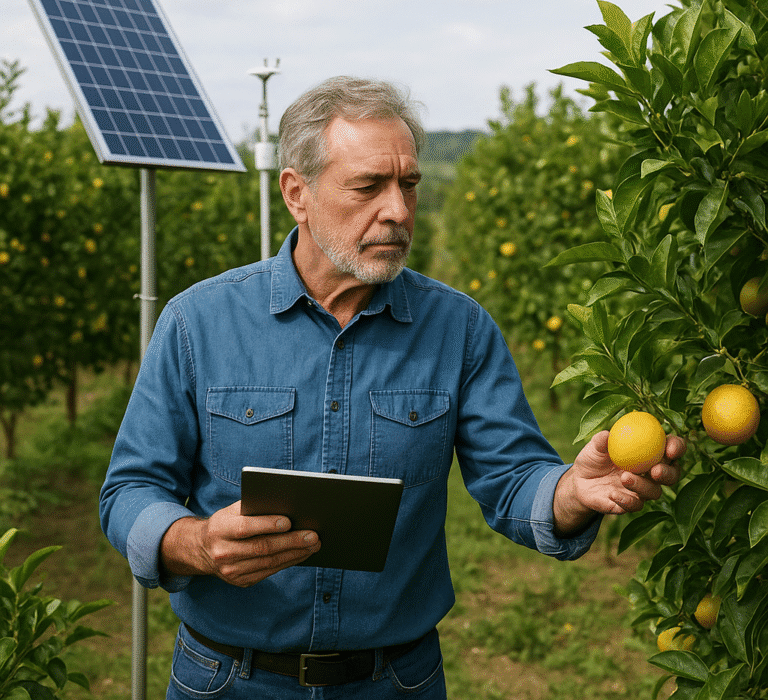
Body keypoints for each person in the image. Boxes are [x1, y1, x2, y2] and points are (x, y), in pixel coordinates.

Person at [99, 76, 685, 699]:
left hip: (394, 681)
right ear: (296, 193)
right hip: (229, 679)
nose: (399, 210)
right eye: (368, 187)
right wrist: (193, 543)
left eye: (408, 184)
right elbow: (131, 489)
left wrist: (573, 490)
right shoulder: (199, 322)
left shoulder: (457, 328)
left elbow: (513, 477)